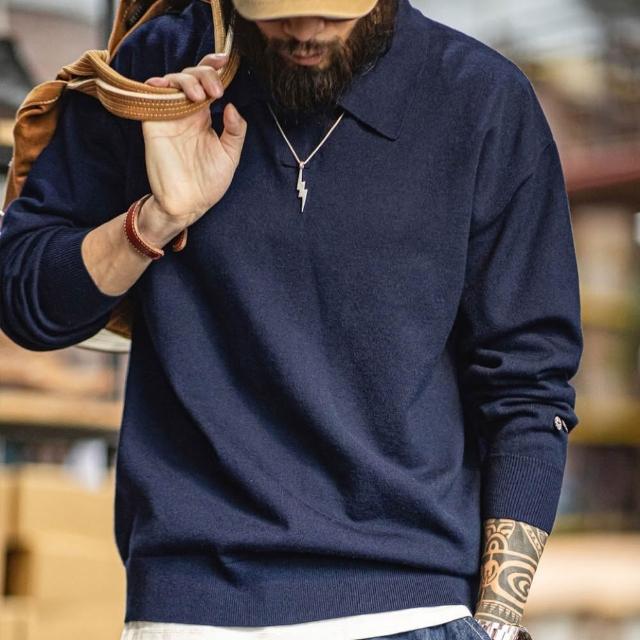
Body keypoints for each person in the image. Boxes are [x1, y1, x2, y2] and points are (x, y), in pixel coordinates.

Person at [0, 0, 583, 638]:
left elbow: (528, 386)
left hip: (412, 607)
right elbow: (29, 303)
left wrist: (497, 623)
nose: (304, 30)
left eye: (331, 12)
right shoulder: (161, 69)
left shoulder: (479, 99)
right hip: (190, 609)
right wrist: (157, 219)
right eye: (277, 10)